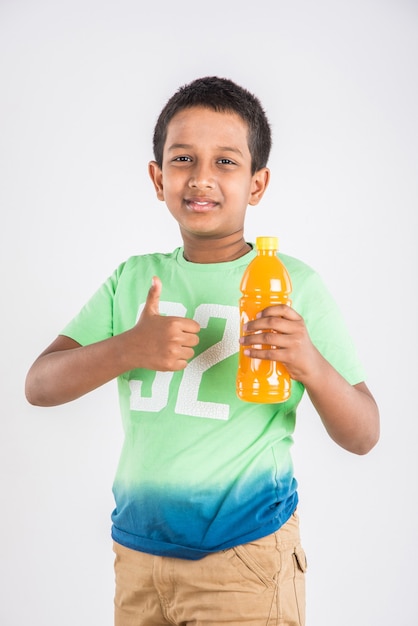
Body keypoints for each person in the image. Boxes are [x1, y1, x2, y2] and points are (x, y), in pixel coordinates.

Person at [25, 76, 380, 626]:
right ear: (157, 176)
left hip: (244, 557)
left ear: (258, 184)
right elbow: (39, 386)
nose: (201, 178)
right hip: (138, 556)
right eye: (184, 158)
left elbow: (363, 434)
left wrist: (308, 361)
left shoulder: (294, 285)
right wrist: (128, 348)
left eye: (227, 162)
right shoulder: (133, 280)